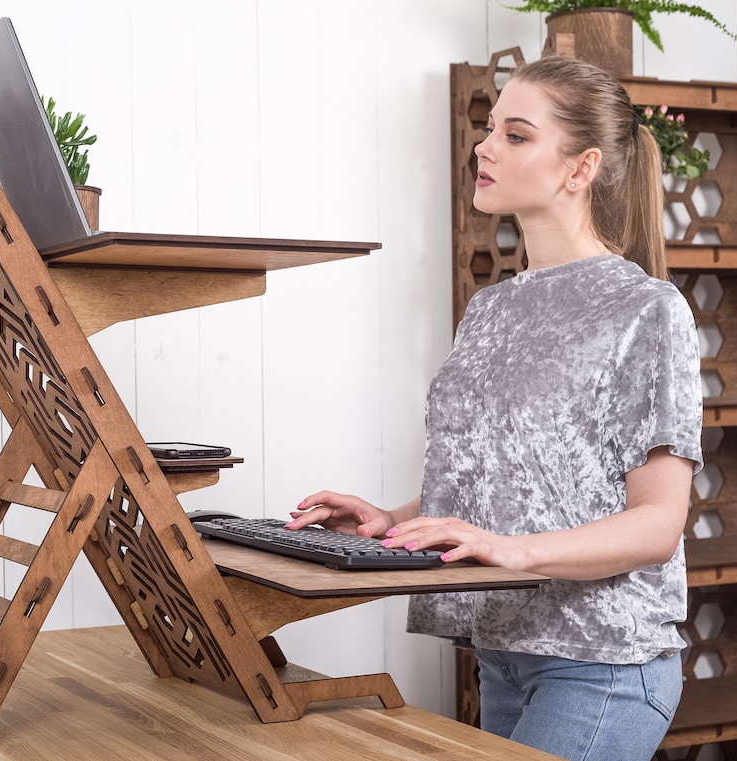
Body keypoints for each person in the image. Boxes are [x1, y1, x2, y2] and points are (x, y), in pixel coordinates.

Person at [288, 54, 703, 761]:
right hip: (502, 654)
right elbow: (505, 473)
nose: (485, 147)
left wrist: (515, 550)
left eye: (516, 135)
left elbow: (657, 524)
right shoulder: (489, 309)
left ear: (581, 168)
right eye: (489, 129)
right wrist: (393, 520)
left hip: (602, 664)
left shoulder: (646, 310)